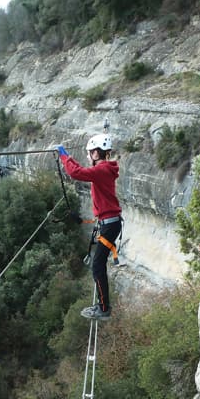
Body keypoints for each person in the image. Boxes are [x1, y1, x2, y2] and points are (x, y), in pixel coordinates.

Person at [57, 134, 122, 320]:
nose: (88, 156)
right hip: (109, 222)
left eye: (90, 152)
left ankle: (103, 308)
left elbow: (76, 173)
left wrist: (64, 156)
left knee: (97, 266)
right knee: (98, 264)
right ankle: (103, 305)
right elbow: (82, 170)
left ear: (96, 152)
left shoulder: (101, 170)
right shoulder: (104, 169)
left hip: (109, 224)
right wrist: (68, 158)